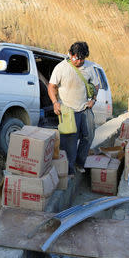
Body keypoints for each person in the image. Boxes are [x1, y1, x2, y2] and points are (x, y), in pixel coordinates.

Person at [47, 41, 99, 175]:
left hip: (85, 109)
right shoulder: (61, 68)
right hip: (68, 111)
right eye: (77, 58)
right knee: (69, 142)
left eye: (83, 59)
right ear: (70, 54)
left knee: (89, 135)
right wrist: (54, 102)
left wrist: (93, 99)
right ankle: (68, 171)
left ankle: (79, 162)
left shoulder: (90, 67)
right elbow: (52, 86)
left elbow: (96, 85)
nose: (80, 61)